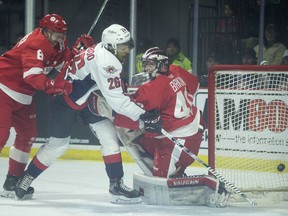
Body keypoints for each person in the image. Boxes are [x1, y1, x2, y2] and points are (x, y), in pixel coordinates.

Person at [14, 24, 161, 203]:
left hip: (84, 98)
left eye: (127, 44)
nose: (127, 49)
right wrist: (142, 115)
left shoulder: (101, 47)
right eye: (122, 46)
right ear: (112, 46)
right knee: (57, 145)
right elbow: (117, 102)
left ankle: (116, 183)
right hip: (64, 100)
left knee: (108, 135)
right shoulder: (107, 63)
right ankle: (25, 178)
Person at [0, 14, 73, 199]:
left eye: (63, 34)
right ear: (45, 31)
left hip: (24, 94)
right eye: (57, 34)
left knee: (28, 135)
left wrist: (80, 50)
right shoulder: (35, 43)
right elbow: (33, 77)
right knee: (1, 135)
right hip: (3, 87)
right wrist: (53, 86)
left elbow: (66, 61)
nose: (61, 38)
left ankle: (12, 182)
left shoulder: (59, 43)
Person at [113, 47, 206, 178]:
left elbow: (126, 115)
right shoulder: (176, 70)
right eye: (145, 65)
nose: (146, 69)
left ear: (162, 65)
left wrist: (112, 112)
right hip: (195, 132)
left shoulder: (151, 89)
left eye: (150, 65)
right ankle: (179, 170)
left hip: (174, 143)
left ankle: (173, 169)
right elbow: (194, 85)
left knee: (134, 138)